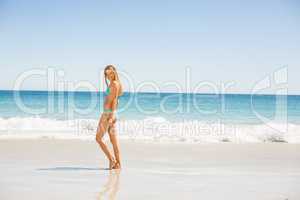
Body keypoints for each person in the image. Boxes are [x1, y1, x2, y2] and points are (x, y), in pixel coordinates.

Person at [96, 65, 123, 169]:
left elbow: (115, 100)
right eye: (106, 74)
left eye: (110, 73)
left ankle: (111, 159)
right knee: (114, 141)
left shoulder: (115, 84)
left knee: (98, 138)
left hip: (108, 114)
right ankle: (118, 164)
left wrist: (111, 116)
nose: (109, 76)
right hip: (112, 114)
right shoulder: (116, 84)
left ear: (114, 72)